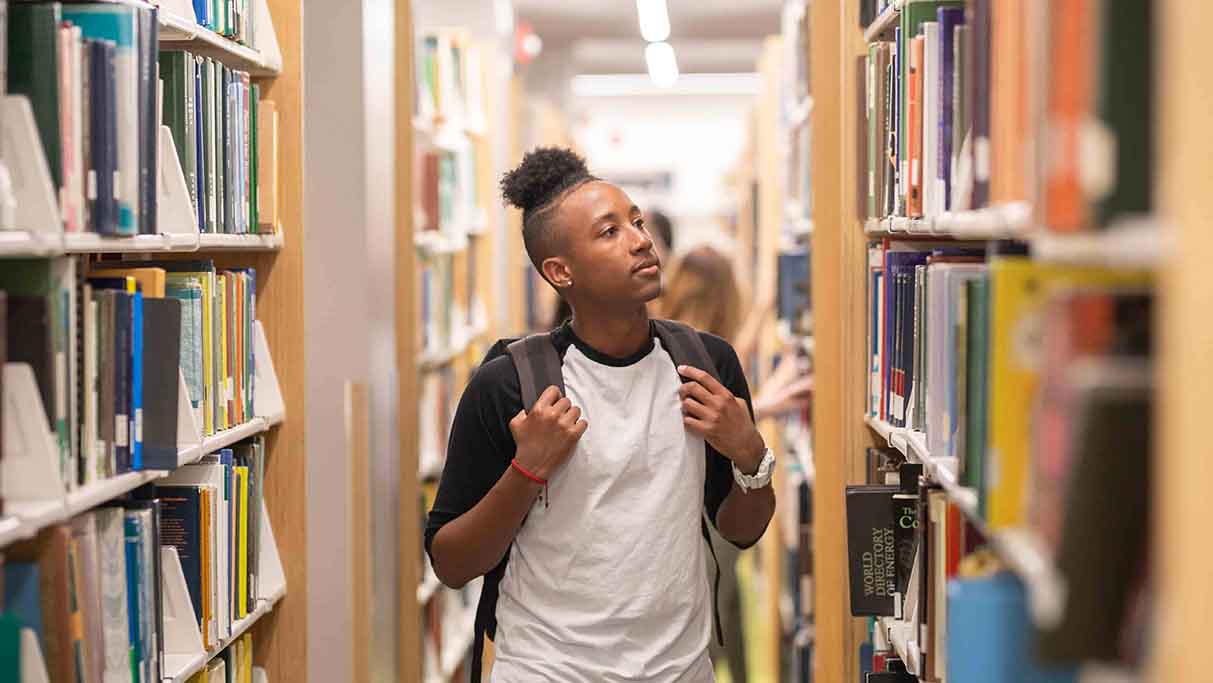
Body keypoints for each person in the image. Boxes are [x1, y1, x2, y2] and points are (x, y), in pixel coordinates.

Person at [424, 147, 777, 682]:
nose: (640, 239)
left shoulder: (705, 364)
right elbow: (451, 563)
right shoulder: (509, 384)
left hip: (679, 670)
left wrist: (750, 452)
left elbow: (740, 529)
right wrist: (528, 469)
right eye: (609, 232)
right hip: (546, 669)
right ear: (560, 271)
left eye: (636, 221)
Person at [659, 245, 814, 683]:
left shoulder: (670, 339)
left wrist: (765, 309)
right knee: (711, 613)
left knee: (726, 609)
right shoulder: (693, 350)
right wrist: (762, 408)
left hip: (704, 510)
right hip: (705, 511)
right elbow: (706, 419)